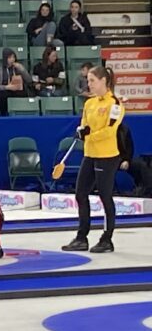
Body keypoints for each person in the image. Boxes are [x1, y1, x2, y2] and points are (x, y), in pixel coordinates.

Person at [62, 66, 124, 254]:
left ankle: (107, 239)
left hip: (107, 155)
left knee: (105, 196)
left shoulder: (115, 104)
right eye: (88, 81)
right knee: (80, 193)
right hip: (90, 154)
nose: (89, 84)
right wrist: (81, 131)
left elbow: (110, 130)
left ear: (104, 81)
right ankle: (82, 237)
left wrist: (89, 135)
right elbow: (84, 124)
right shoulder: (90, 103)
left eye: (92, 81)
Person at [0, 47, 33, 116]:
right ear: (5, 59)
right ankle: (4, 114)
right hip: (6, 90)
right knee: (1, 95)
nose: (12, 59)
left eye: (13, 57)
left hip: (17, 90)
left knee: (23, 92)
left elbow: (29, 80)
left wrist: (22, 69)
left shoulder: (18, 68)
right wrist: (7, 87)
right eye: (10, 58)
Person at [117, 123, 152, 198]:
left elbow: (130, 148)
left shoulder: (124, 129)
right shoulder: (103, 130)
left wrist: (127, 160)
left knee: (142, 165)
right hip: (107, 160)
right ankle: (109, 191)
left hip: (123, 160)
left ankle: (145, 190)